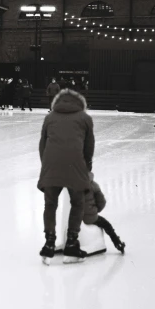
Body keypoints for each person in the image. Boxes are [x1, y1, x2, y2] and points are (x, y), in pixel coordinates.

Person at [37, 88, 95, 264]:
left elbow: (42, 144)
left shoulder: (49, 117)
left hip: (51, 165)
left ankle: (49, 244)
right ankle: (71, 243)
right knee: (77, 203)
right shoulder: (85, 118)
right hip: (76, 166)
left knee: (50, 204)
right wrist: (87, 169)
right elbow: (89, 148)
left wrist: (46, 165)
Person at [83, 172, 125, 254]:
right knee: (107, 225)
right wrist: (95, 211)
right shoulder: (94, 185)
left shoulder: (73, 185)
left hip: (76, 217)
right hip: (90, 217)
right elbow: (102, 202)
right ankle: (117, 243)